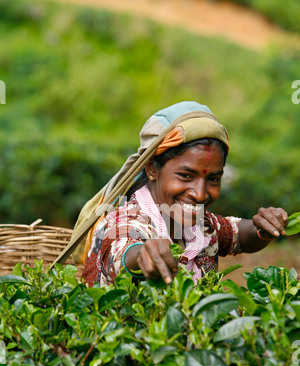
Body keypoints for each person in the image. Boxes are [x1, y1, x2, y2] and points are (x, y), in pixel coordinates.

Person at [66, 101, 288, 287]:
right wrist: (143, 253)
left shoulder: (200, 225)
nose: (200, 194)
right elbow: (124, 250)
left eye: (213, 179)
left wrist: (262, 227)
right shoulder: (121, 223)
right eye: (185, 176)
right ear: (152, 168)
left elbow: (238, 235)